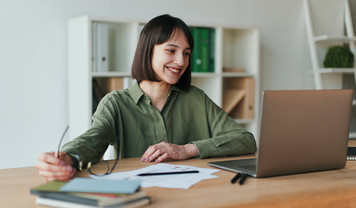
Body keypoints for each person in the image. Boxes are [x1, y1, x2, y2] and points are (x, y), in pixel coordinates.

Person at [35, 14, 257, 182]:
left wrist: (187, 149)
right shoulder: (116, 103)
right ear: (148, 51)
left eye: (186, 53)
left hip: (191, 203)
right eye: (171, 51)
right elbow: (93, 139)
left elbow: (245, 140)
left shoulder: (196, 99)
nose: (180, 61)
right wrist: (68, 157)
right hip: (137, 203)